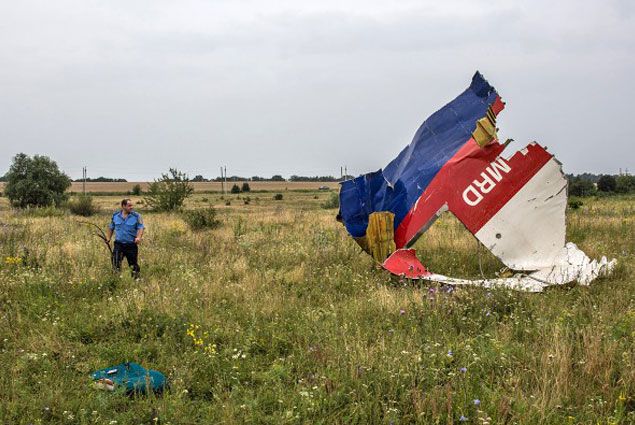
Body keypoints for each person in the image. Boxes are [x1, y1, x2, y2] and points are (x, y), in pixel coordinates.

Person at [106, 198, 144, 279]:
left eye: (132, 205)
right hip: (118, 245)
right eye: (129, 205)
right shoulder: (115, 216)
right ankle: (116, 280)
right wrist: (108, 238)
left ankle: (136, 280)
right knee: (115, 263)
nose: (132, 207)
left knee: (133, 265)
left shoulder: (136, 216)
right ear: (123, 206)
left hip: (131, 245)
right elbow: (111, 227)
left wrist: (138, 237)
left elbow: (140, 227)